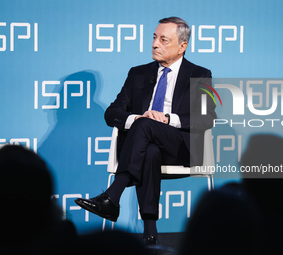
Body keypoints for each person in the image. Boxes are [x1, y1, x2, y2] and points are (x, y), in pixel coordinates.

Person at [75, 17, 216, 245]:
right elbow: (112, 113)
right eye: (154, 37)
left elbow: (206, 117)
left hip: (180, 146)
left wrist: (168, 118)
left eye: (163, 40)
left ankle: (113, 195)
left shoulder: (199, 74)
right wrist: (137, 119)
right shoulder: (138, 73)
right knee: (149, 148)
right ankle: (150, 232)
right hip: (143, 148)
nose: (155, 44)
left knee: (146, 126)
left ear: (182, 47)